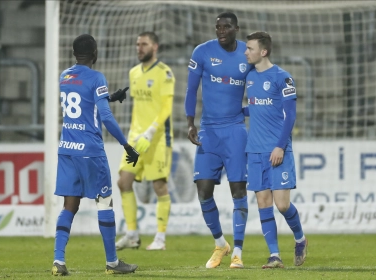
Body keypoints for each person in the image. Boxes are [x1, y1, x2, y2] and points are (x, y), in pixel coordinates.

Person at [52, 34, 140, 276]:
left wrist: (109, 98)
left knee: (69, 204)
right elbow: (106, 117)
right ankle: (112, 263)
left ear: (73, 54)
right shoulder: (97, 76)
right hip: (90, 151)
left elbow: (82, 104)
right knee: (105, 202)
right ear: (95, 54)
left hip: (67, 149)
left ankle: (58, 261)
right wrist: (126, 145)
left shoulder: (65, 76)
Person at [184, 12, 252, 269]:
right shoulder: (202, 52)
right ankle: (220, 243)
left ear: (237, 28)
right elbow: (191, 90)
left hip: (235, 131)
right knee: (203, 190)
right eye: (218, 27)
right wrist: (190, 123)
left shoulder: (248, 54)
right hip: (208, 131)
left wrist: (244, 113)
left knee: (238, 192)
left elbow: (257, 93)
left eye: (226, 27)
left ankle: (237, 251)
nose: (220, 30)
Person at [244, 31, 308, 269]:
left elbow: (290, 114)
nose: (245, 52)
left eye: (249, 48)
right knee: (263, 203)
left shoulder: (283, 78)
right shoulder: (250, 77)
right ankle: (275, 256)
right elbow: (257, 106)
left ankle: (300, 238)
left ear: (264, 51)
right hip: (255, 151)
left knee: (281, 205)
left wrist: (280, 146)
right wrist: (238, 112)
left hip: (277, 150)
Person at [115, 31, 175, 251]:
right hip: (136, 140)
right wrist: (136, 134)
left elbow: (166, 108)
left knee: (159, 185)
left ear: (155, 47)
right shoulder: (133, 73)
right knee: (124, 182)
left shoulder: (165, 73)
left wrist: (150, 131)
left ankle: (160, 238)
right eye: (137, 44)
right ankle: (132, 234)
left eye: (144, 44)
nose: (139, 48)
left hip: (157, 139)